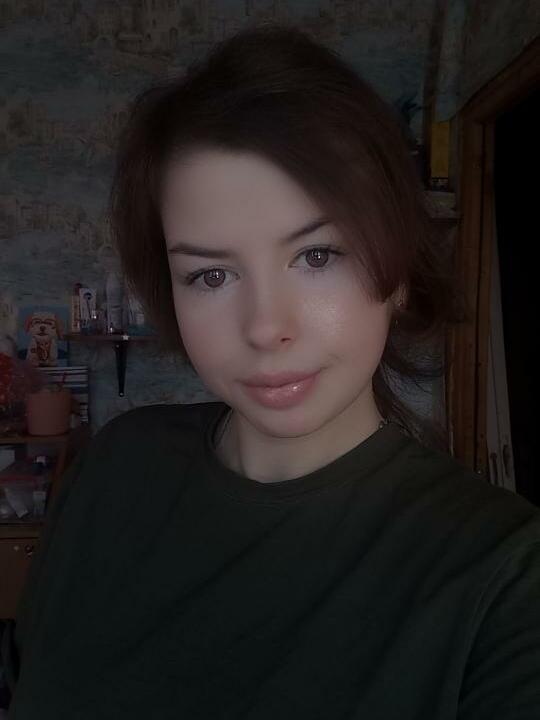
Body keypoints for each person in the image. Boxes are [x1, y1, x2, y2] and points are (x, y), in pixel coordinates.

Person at [2, 24, 539, 720]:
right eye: (211, 274)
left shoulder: (505, 579)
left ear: (399, 269)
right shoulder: (113, 468)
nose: (263, 327)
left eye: (317, 256)